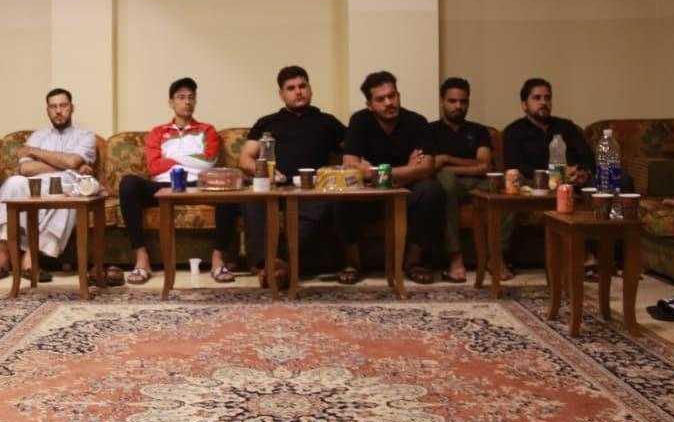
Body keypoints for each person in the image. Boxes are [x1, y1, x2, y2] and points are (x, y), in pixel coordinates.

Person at [118, 77, 239, 285]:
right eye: (181, 97)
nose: (187, 102)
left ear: (195, 101)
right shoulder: (158, 132)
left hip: (197, 185)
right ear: (171, 102)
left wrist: (171, 159)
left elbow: (208, 162)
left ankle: (218, 259)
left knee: (229, 192)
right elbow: (154, 167)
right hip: (163, 186)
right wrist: (191, 160)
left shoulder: (207, 130)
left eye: (191, 97)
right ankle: (141, 258)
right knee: (128, 183)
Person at [240, 66, 346, 289]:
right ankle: (268, 263)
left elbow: (353, 152)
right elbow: (245, 158)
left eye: (302, 86)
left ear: (310, 89)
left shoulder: (327, 122)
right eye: (291, 88)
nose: (298, 92)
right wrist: (265, 172)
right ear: (282, 94)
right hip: (275, 187)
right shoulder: (267, 123)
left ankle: (278, 265)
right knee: (252, 199)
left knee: (327, 201)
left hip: (312, 189)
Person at [339, 71, 446, 285]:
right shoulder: (360, 120)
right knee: (342, 196)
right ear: (370, 105)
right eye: (381, 99)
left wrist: (373, 173)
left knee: (431, 190)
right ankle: (353, 263)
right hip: (369, 196)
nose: (389, 102)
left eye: (392, 95)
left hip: (407, 195)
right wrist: (408, 169)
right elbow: (350, 165)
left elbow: (426, 168)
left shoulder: (417, 121)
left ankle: (414, 263)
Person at [0, 89, 97, 280]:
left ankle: (31, 257)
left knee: (68, 191)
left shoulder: (85, 136)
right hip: (37, 185)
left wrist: (36, 152)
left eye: (63, 106)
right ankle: (3, 255)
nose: (58, 111)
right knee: (13, 183)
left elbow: (73, 161)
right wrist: (66, 164)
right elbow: (26, 169)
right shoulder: (38, 137)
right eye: (53, 107)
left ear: (72, 108)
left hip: (65, 185)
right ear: (47, 110)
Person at [500, 78, 595, 276]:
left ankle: (609, 256)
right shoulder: (514, 131)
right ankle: (580, 256)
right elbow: (515, 166)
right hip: (537, 184)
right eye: (537, 98)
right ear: (524, 104)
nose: (544, 102)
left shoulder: (566, 127)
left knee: (619, 181)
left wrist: (581, 171)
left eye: (547, 98)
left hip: (574, 182)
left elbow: (587, 157)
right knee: (519, 189)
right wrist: (554, 175)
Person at [429, 77, 494, 283]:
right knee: (446, 180)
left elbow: (485, 165)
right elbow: (431, 166)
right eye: (452, 101)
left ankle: (497, 257)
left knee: (502, 187)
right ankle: (455, 258)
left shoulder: (479, 131)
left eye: (463, 101)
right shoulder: (430, 130)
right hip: (448, 185)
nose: (458, 106)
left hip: (476, 184)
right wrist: (470, 166)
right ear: (442, 101)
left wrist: (447, 159)